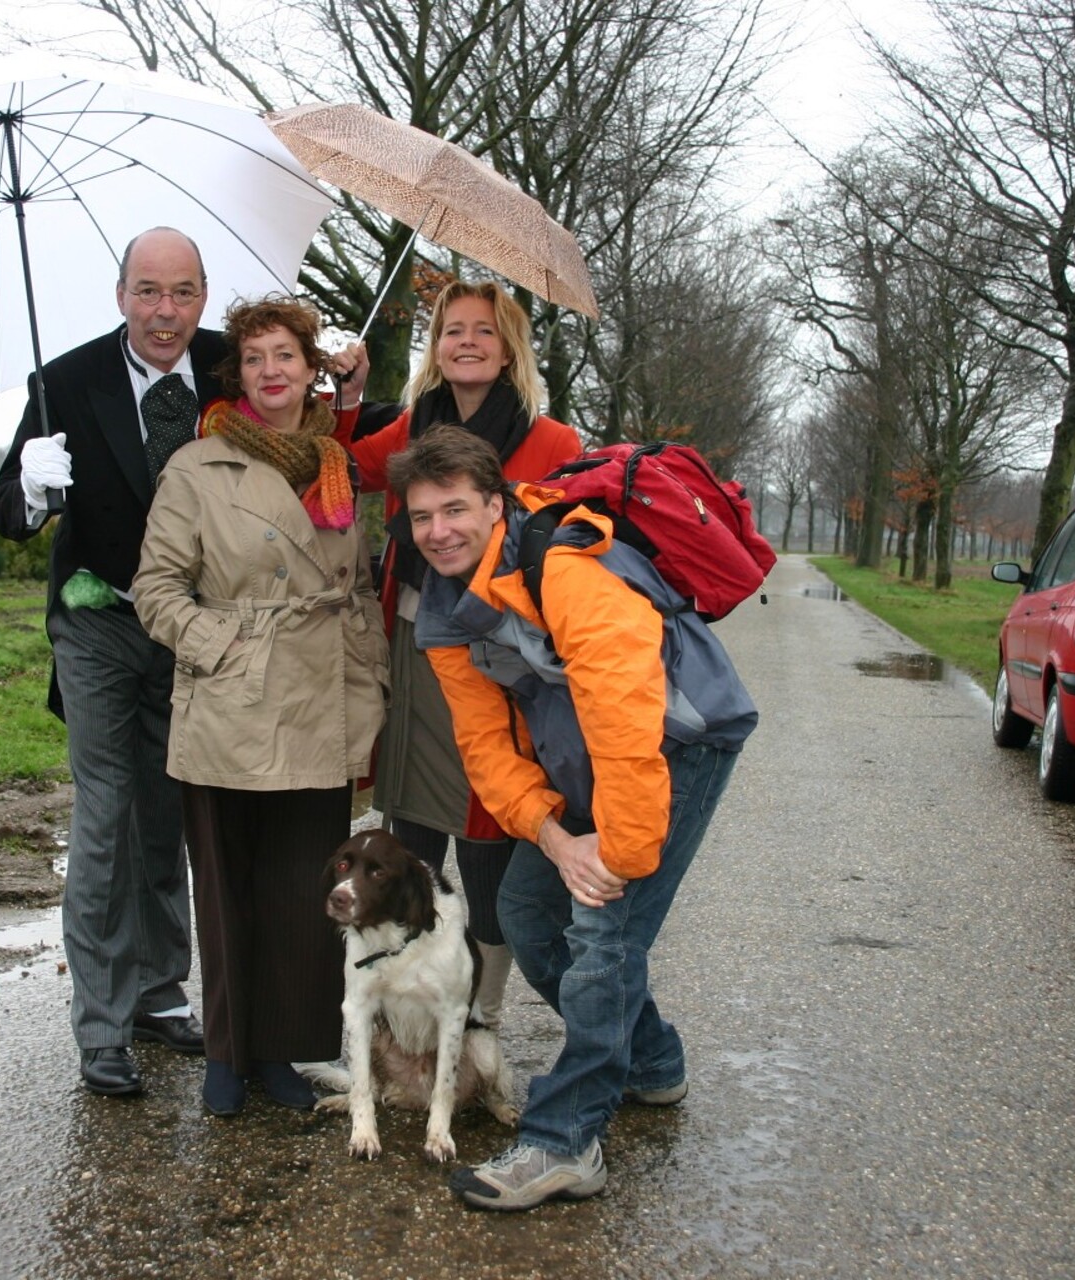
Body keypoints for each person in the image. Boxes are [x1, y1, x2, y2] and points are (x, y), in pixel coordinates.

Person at [389, 425, 757, 1211]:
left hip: (674, 745)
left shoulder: (564, 566)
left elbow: (629, 719)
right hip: (582, 766)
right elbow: (484, 751)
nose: (439, 531)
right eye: (422, 517)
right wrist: (557, 840)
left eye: (455, 509)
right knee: (525, 911)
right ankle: (652, 1063)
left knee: (602, 934)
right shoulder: (446, 608)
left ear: (496, 504)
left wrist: (614, 858)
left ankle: (567, 1142)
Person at [133, 294, 388, 1116]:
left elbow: (355, 582)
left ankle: (285, 1053)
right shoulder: (197, 467)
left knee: (299, 890)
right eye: (254, 358)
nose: (271, 371)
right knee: (227, 889)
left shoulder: (335, 462)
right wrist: (223, 647)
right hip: (233, 703)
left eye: (286, 355)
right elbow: (156, 589)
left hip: (321, 701)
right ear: (236, 374)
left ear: (312, 366)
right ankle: (226, 1053)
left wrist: (369, 681)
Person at [0, 227, 220, 1097]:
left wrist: (342, 380)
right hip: (99, 624)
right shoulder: (66, 384)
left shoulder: (231, 370)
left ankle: (160, 996)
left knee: (167, 813)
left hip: (190, 630)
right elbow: (6, 510)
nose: (166, 313)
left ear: (204, 295)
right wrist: (35, 489)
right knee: (107, 813)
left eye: (184, 292)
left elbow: (320, 431)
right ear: (121, 294)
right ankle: (102, 1025)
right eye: (149, 292)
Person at [330, 281, 581, 1032]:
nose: (466, 341)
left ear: (509, 348)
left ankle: (482, 1007)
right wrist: (347, 394)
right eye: (451, 331)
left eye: (483, 330)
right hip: (411, 641)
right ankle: (404, 1001)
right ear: (435, 347)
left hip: (494, 652)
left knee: (485, 822)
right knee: (408, 817)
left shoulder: (553, 442)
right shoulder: (413, 425)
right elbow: (345, 465)